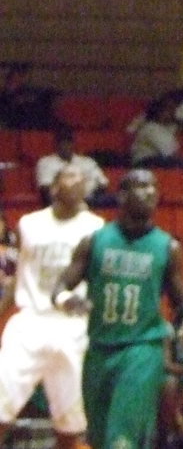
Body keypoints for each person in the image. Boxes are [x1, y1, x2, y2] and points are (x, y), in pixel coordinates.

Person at [52, 168, 183, 449]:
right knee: (99, 437)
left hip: (142, 350)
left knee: (122, 440)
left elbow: (181, 303)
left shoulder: (168, 247)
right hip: (99, 349)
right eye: (141, 186)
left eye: (154, 187)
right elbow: (60, 287)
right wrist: (65, 300)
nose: (150, 192)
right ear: (121, 196)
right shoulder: (94, 241)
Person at [0, 167, 104, 449]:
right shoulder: (29, 223)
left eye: (81, 178)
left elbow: (97, 279)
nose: (77, 181)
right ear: (54, 187)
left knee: (70, 426)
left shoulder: (95, 227)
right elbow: (20, 274)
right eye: (69, 176)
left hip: (71, 326)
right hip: (31, 320)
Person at [35, 128, 110, 206]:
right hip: (62, 203)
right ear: (56, 145)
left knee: (117, 198)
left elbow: (103, 183)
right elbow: (46, 189)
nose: (66, 146)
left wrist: (86, 197)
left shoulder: (87, 161)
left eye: (69, 142)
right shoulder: (46, 162)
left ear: (73, 144)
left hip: (90, 201)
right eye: (62, 143)